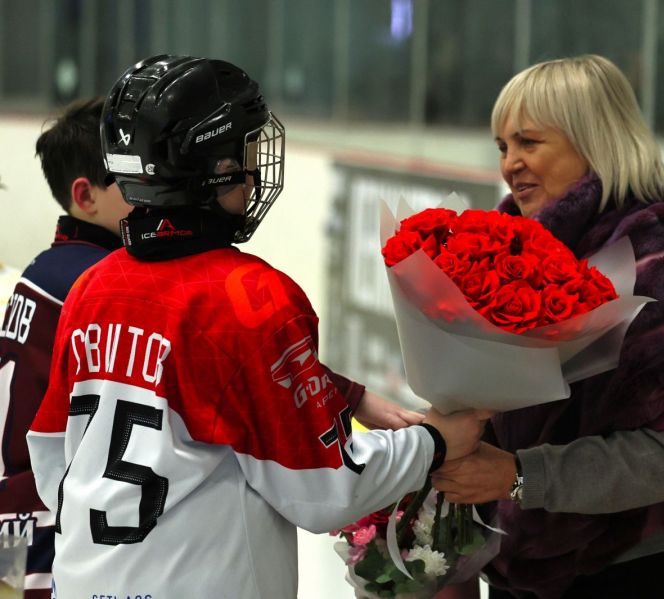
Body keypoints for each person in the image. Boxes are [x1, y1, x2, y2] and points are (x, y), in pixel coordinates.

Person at [26, 55, 487, 599]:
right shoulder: (253, 297)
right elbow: (326, 489)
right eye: (243, 153)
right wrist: (432, 443)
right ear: (213, 168)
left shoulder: (93, 287)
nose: (252, 170)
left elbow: (52, 452)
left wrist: (343, 394)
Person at [431, 54, 664, 599]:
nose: (510, 163)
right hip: (536, 555)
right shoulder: (509, 251)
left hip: (652, 565)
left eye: (529, 142)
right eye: (503, 147)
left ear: (593, 141)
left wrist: (518, 476)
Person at [1, 97, 132, 599]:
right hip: (53, 540)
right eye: (134, 177)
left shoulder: (42, 272)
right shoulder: (95, 286)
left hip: (15, 525)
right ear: (85, 195)